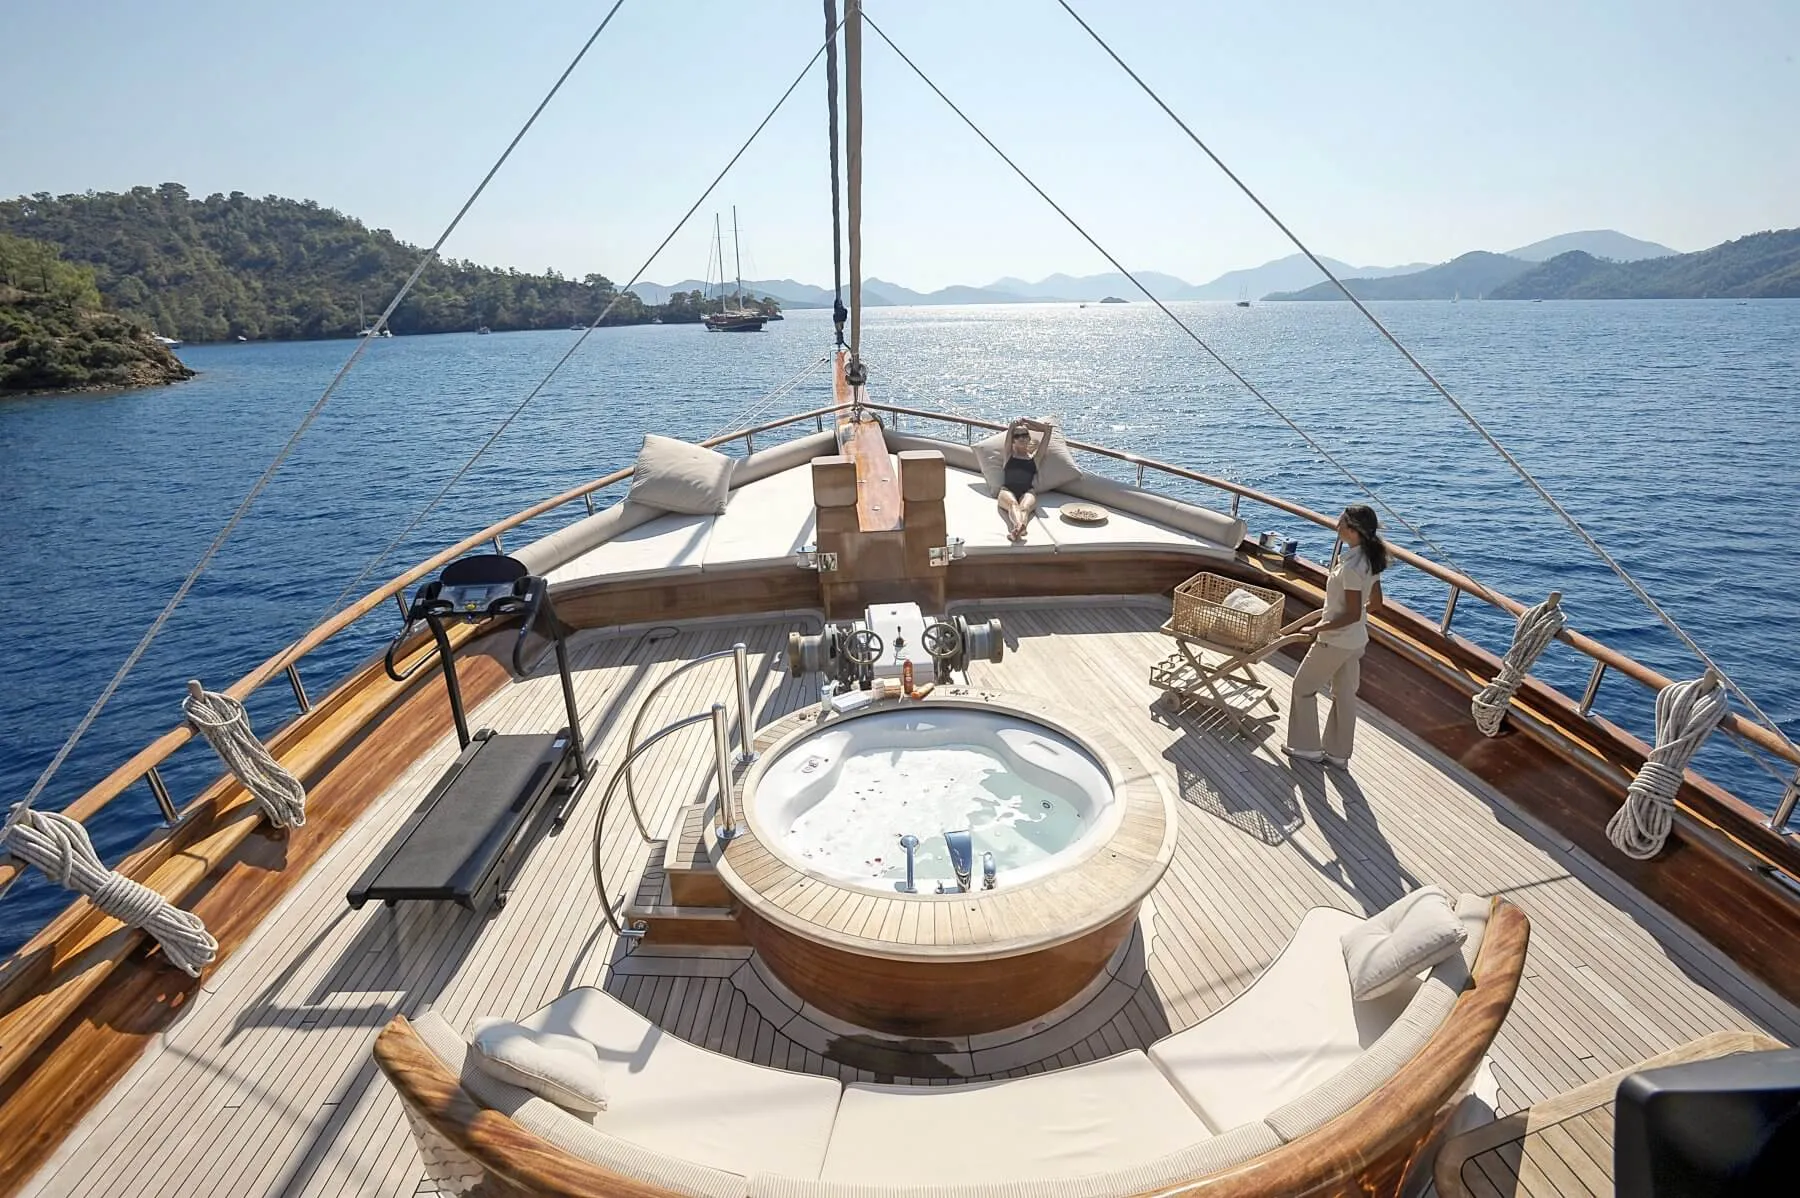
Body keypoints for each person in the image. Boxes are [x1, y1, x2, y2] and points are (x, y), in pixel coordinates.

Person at [1282, 504, 1388, 769]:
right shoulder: (1369, 558)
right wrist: (1352, 614)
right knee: (1344, 694)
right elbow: (1375, 604)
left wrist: (1317, 628)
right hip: (1355, 640)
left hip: (1335, 640)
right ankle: (1338, 753)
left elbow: (1351, 613)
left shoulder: (1351, 567)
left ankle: (1306, 748)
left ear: (1353, 531)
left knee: (1303, 687)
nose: (1336, 526)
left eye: (1341, 522)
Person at [998, 418, 1053, 542]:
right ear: (1013, 440)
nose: (1021, 438)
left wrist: (1026, 420)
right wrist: (1014, 426)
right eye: (1017, 436)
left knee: (1024, 508)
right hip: (1007, 489)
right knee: (1013, 504)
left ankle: (1016, 530)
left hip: (1027, 491)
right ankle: (1020, 527)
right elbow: (1010, 431)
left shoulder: (1035, 459)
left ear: (1029, 438)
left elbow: (1047, 431)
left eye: (1024, 435)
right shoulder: (1009, 455)